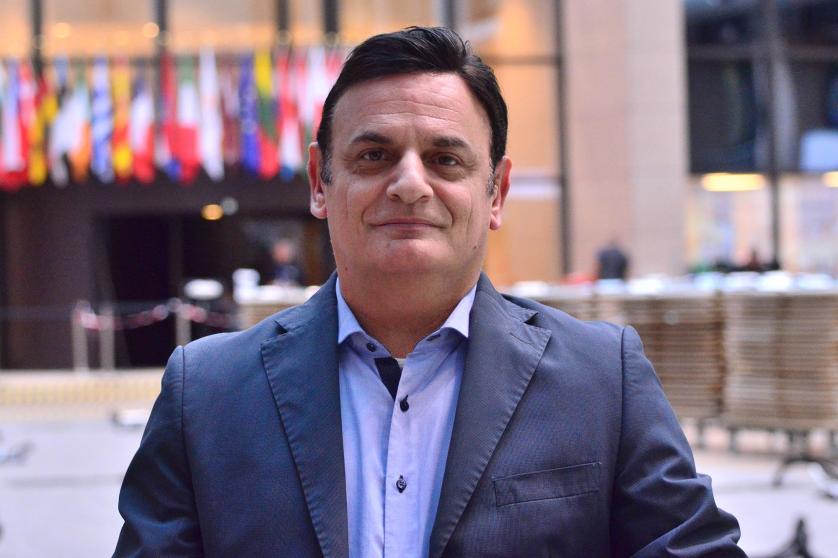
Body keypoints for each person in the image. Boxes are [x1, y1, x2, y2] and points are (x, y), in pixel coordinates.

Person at [114, 27, 745, 557]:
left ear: (495, 193)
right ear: (318, 182)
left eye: (446, 160)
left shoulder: (603, 380)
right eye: (374, 156)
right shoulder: (207, 393)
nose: (409, 184)